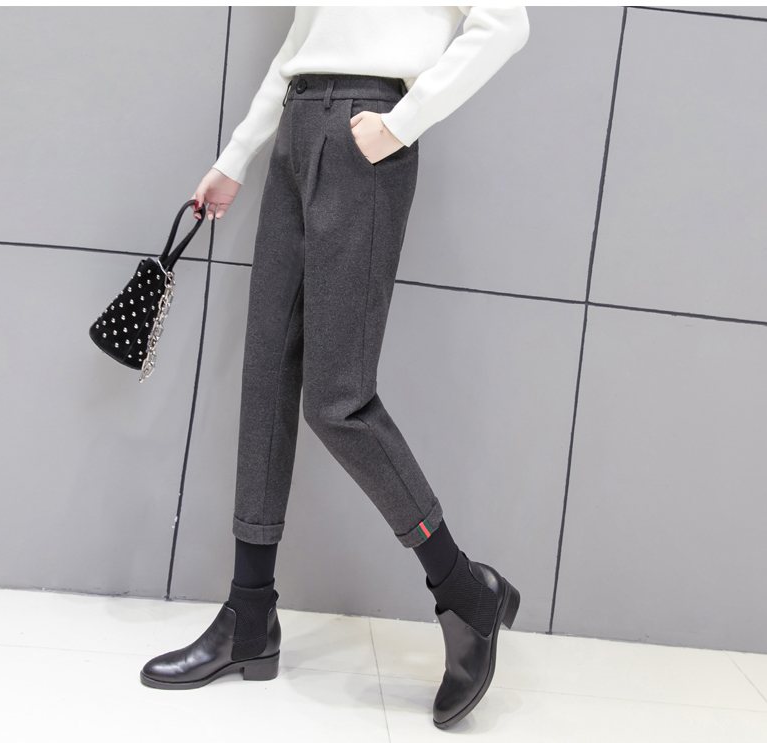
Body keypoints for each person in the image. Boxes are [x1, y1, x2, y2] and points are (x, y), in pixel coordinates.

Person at [140, 5, 530, 730]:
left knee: (338, 398)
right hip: (298, 123)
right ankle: (249, 617)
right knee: (266, 375)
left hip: (366, 136)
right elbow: (301, 41)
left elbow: (507, 22)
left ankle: (464, 589)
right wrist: (234, 158)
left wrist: (403, 122)